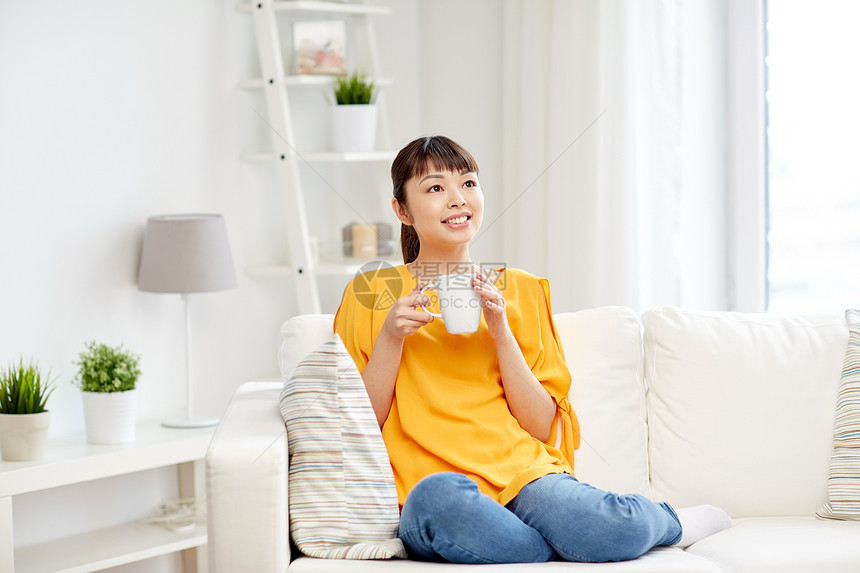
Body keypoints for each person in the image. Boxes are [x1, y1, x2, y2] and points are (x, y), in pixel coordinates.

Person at [334, 135, 730, 563]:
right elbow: (358, 425)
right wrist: (391, 338)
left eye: (468, 183)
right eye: (435, 188)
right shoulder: (371, 291)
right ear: (402, 210)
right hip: (432, 490)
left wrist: (501, 331)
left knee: (610, 525)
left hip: (523, 476)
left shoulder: (518, 290)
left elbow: (541, 425)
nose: (457, 199)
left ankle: (674, 524)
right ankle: (548, 546)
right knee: (438, 500)